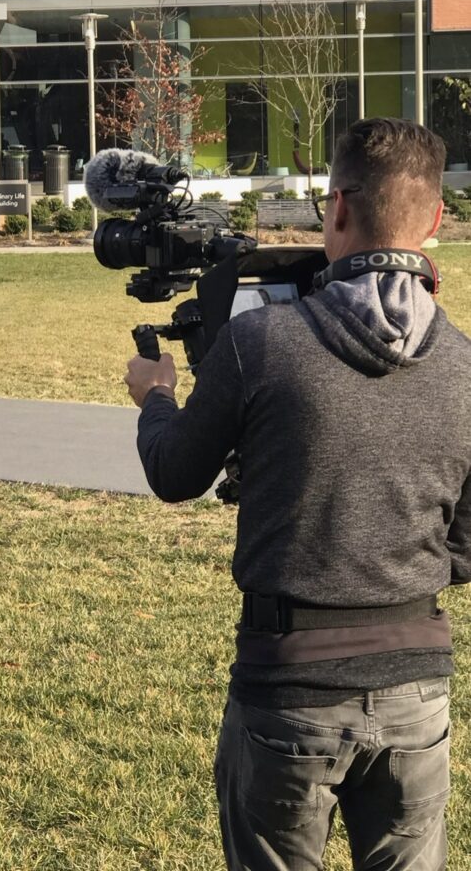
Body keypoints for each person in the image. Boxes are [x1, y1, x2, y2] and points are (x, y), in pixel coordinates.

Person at [124, 117, 470, 871]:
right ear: (436, 220)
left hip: (289, 686)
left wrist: (154, 398)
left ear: (336, 208)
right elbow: (466, 545)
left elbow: (175, 474)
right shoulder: (467, 365)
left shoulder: (260, 342)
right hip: (418, 688)